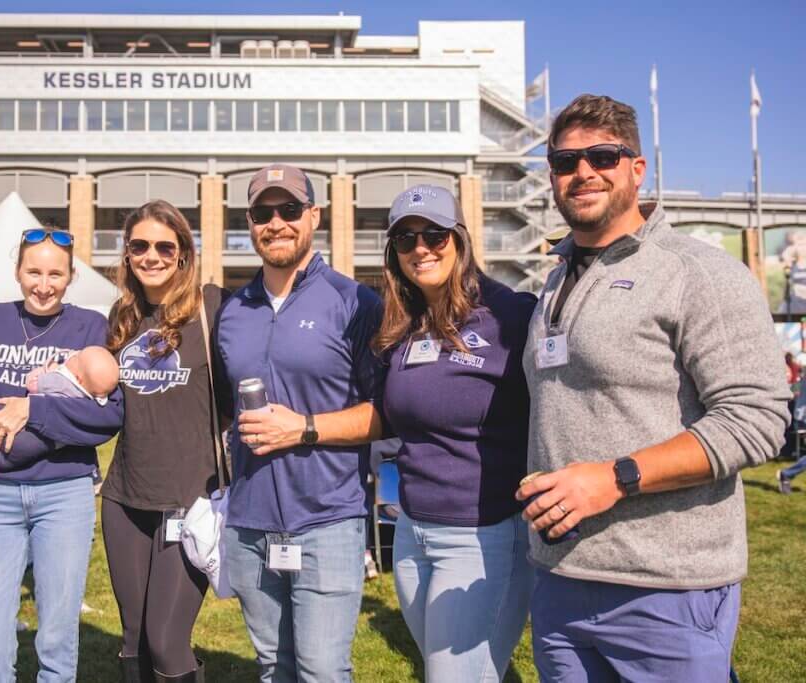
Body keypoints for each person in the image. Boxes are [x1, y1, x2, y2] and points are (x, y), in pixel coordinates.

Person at [516, 94, 789, 681]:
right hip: (561, 579)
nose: (582, 172)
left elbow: (758, 416)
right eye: (565, 162)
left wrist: (616, 477)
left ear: (637, 169)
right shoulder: (555, 277)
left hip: (665, 589)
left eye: (603, 156)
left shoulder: (699, 272)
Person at [215, 164, 386, 682]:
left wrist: (305, 428)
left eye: (289, 209)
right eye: (263, 213)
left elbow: (387, 414)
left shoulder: (355, 302)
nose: (277, 223)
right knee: (273, 667)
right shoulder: (232, 311)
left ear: (314, 215)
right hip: (250, 522)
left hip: (327, 519)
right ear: (249, 222)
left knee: (322, 671)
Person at [373, 184, 534, 681]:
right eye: (405, 239)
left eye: (434, 235)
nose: (421, 248)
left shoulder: (512, 315)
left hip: (483, 535)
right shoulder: (405, 324)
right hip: (412, 529)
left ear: (459, 240)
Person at [0, 226, 123, 681]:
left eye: (56, 274)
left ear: (71, 276)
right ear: (17, 271)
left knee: (56, 641)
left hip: (64, 493)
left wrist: (33, 408)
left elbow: (107, 417)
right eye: (34, 271)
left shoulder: (91, 326)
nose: (44, 284)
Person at [100, 199, 228, 683]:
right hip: (125, 497)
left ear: (182, 254)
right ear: (127, 254)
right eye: (139, 246)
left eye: (163, 246)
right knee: (133, 637)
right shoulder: (122, 315)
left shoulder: (212, 307)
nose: (150, 255)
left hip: (190, 500)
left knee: (166, 638)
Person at [0, 345, 118, 498]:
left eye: (76, 359)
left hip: (30, 431)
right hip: (45, 444)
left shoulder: (61, 380)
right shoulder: (92, 397)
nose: (73, 356)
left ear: (78, 377)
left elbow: (31, 384)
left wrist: (47, 370)